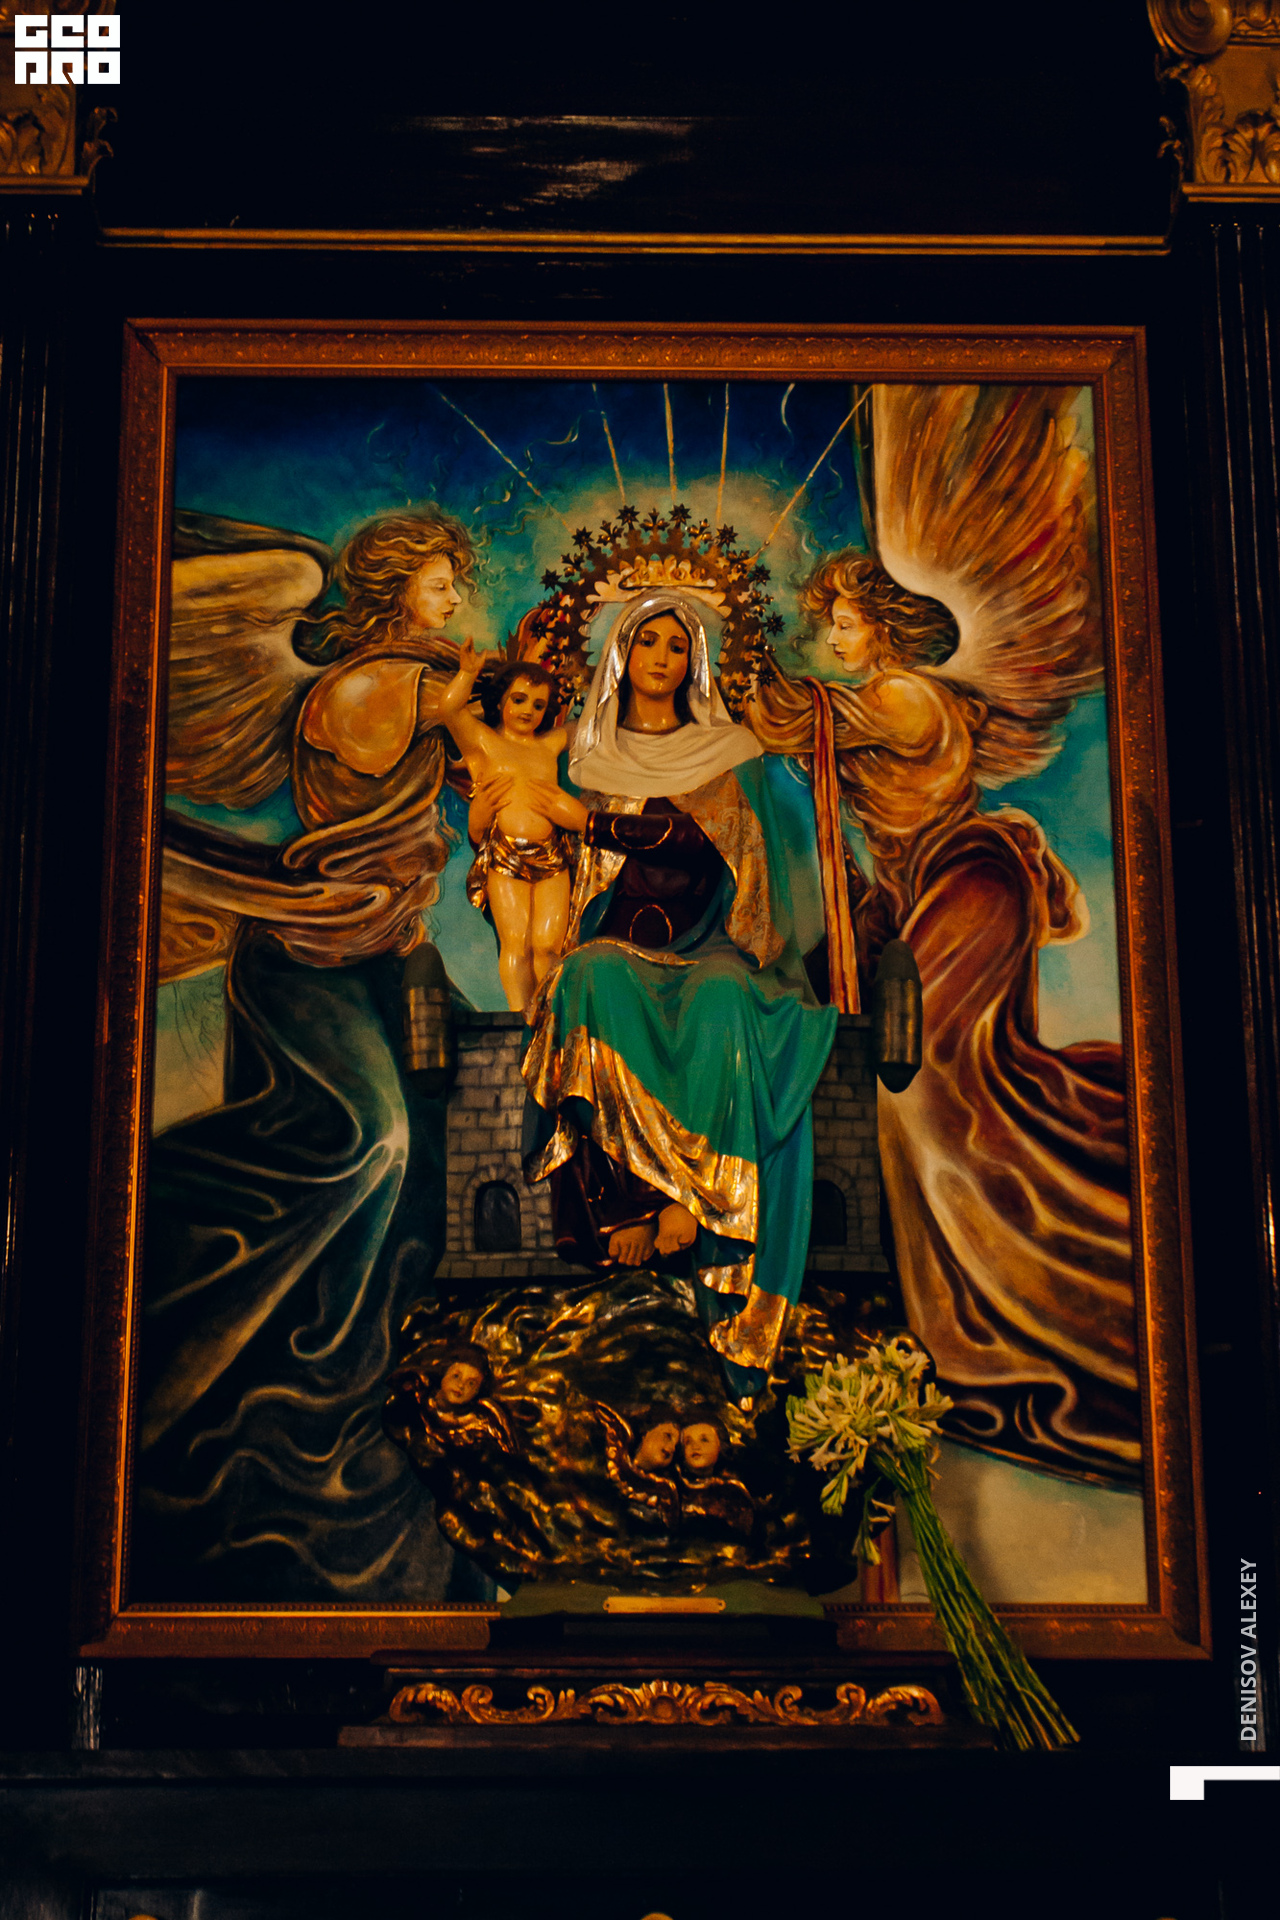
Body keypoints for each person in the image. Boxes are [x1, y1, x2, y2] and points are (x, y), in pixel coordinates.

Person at [138, 507, 492, 1602]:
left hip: (389, 961)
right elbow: (462, 723)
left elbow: (499, 766)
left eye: (457, 583)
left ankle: (380, 1393)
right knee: (372, 1141)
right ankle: (186, 1267)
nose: (454, 599)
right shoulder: (369, 688)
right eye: (440, 581)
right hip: (307, 961)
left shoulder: (427, 681)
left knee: (457, 1141)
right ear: (394, 587)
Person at [747, 545, 1138, 1486]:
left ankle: (1000, 1312)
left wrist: (744, 655)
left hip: (971, 884)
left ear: (884, 627)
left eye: (843, 624)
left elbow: (795, 718)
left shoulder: (905, 696)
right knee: (900, 1064)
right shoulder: (890, 694)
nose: (833, 639)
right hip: (914, 891)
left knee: (922, 1091)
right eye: (830, 626)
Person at [519, 589, 837, 1404]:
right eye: (648, 642)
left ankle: (697, 1200)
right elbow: (525, 821)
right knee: (586, 977)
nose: (662, 659)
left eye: (676, 646)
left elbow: (708, 845)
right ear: (621, 654)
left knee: (727, 999)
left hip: (711, 946)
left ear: (695, 662)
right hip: (616, 944)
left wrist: (593, 824)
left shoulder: (727, 748)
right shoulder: (583, 752)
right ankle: (626, 1208)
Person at [437, 644, 575, 1013]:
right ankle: (521, 1016)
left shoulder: (549, 744)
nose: (528, 710)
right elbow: (449, 709)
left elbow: (591, 729)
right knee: (516, 940)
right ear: (500, 701)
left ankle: (548, 1016)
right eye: (519, 699)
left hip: (552, 856)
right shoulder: (484, 741)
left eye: (539, 705)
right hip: (506, 854)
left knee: (548, 945)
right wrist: (467, 674)